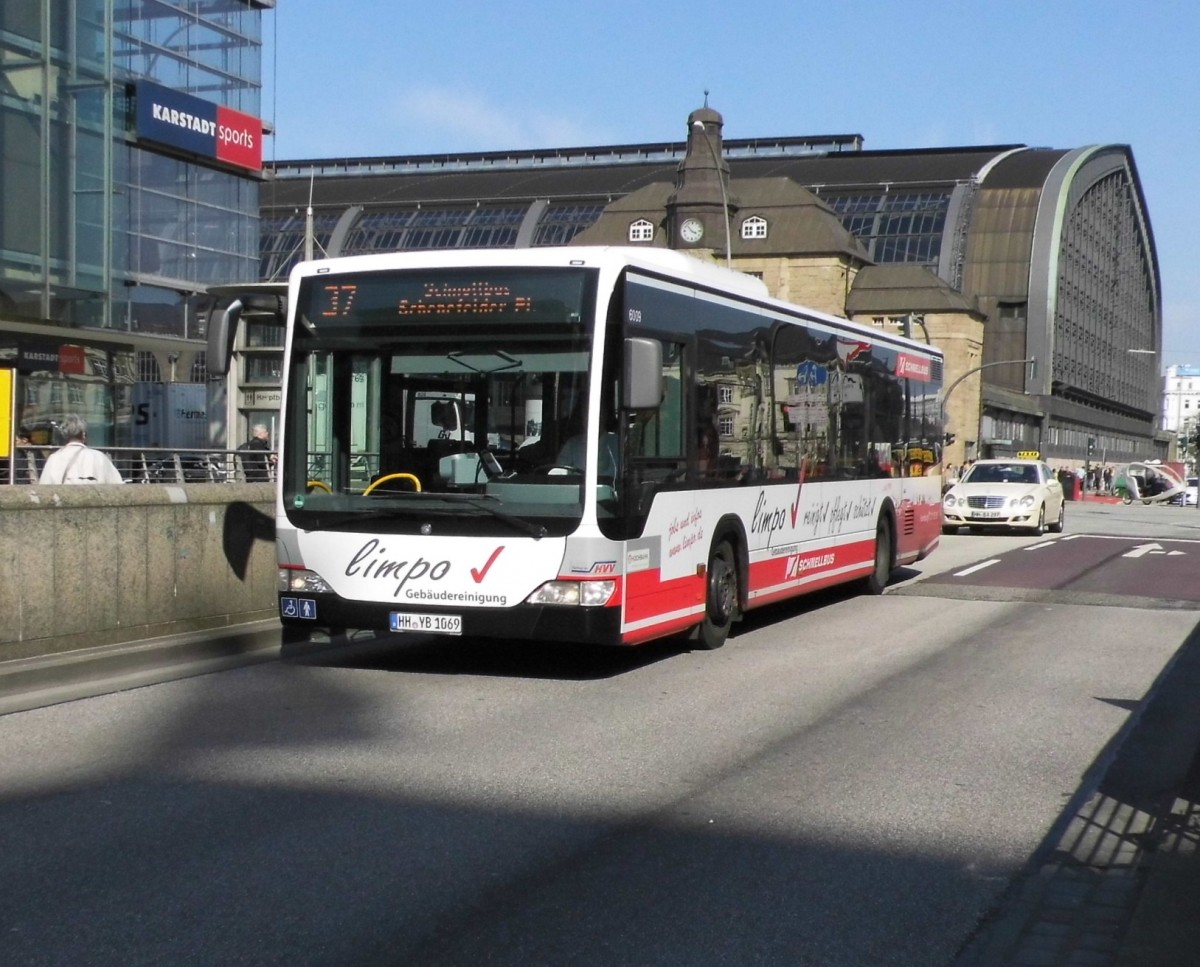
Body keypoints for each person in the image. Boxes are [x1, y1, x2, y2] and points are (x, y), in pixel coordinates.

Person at [38, 414, 124, 484]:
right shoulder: (100, 457)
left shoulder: (54, 458)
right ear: (83, 435)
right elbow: (117, 485)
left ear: (64, 435)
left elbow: (44, 487)